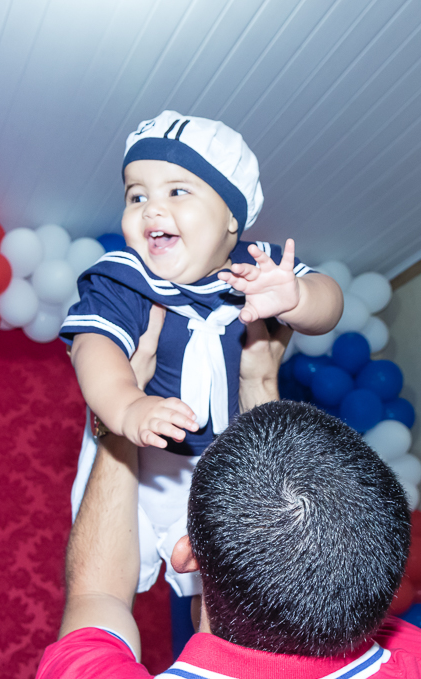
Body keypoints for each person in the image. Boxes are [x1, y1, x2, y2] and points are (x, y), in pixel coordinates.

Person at [26, 321, 421, 679]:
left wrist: (115, 419)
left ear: (185, 554)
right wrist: (260, 383)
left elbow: (97, 596)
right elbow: (298, 512)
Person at [61, 110, 343, 600]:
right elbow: (94, 347)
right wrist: (127, 404)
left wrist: (297, 295)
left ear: (232, 216)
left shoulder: (258, 270)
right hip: (141, 453)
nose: (151, 209)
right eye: (136, 195)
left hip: (222, 460)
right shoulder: (126, 278)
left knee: (230, 597)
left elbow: (330, 301)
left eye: (177, 190)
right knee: (103, 592)